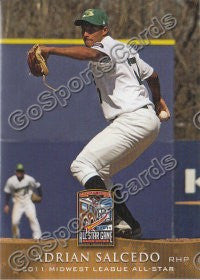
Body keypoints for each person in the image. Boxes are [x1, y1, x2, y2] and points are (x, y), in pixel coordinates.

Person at [29, 9, 170, 238]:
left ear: (105, 30)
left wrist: (50, 49)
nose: (87, 33)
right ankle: (130, 225)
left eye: (92, 28)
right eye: (84, 28)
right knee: (101, 173)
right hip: (147, 122)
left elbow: (90, 55)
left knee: (81, 165)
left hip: (132, 119)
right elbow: (152, 75)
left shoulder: (106, 47)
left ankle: (106, 223)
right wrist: (157, 102)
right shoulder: (125, 49)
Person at [3, 163, 42, 239]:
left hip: (28, 202)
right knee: (14, 222)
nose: (19, 173)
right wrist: (6, 204)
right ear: (16, 172)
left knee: (33, 218)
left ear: (24, 172)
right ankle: (16, 237)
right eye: (18, 171)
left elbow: (38, 185)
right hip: (18, 203)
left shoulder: (29, 179)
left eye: (21, 171)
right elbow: (7, 192)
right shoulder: (11, 181)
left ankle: (38, 236)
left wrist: (40, 196)